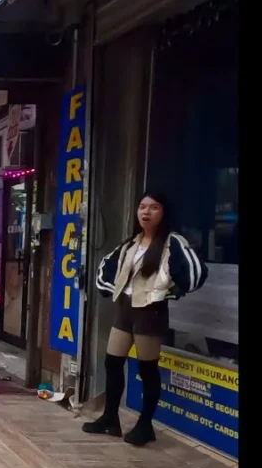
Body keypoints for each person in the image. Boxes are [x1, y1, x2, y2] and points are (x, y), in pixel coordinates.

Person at [82, 191, 208, 446]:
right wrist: (107, 287)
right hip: (126, 308)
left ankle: (145, 424)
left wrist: (174, 291)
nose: (146, 212)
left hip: (151, 310)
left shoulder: (173, 242)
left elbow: (196, 272)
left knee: (147, 369)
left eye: (154, 207)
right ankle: (110, 418)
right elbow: (106, 267)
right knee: (112, 362)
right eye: (142, 207)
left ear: (164, 212)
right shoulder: (132, 243)